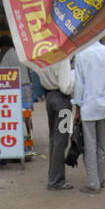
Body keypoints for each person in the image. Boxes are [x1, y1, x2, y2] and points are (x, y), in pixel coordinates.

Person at [73, 39, 105, 193]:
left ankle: (93, 183)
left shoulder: (80, 55)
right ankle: (101, 178)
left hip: (88, 106)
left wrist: (77, 108)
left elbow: (79, 85)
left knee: (90, 146)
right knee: (101, 145)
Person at [34, 58, 75, 191]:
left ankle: (53, 175)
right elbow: (66, 86)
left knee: (54, 138)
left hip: (50, 98)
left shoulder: (44, 54)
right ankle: (56, 180)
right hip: (62, 100)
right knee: (61, 140)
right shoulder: (63, 58)